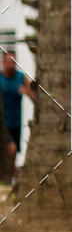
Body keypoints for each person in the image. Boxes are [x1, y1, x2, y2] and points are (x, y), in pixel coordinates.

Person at [1, 50, 35, 186]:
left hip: (16, 122)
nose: (10, 64)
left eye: (13, 62)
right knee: (11, 149)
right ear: (3, 63)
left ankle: (9, 178)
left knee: (14, 153)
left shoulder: (21, 78)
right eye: (8, 61)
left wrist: (26, 92)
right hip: (2, 122)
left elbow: (34, 97)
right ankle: (8, 177)